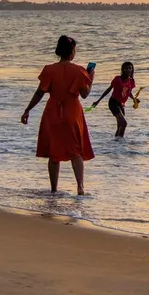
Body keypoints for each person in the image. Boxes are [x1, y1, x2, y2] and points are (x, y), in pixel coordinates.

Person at [21, 35, 95, 196]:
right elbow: (85, 94)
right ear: (72, 52)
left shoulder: (49, 69)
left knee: (54, 153)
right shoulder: (79, 71)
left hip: (53, 111)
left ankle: (54, 189)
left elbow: (40, 93)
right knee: (76, 151)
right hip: (72, 112)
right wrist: (90, 79)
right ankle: (80, 187)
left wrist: (27, 110)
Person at [91, 62, 137, 137]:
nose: (128, 70)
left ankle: (116, 143)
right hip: (113, 102)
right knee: (124, 123)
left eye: (130, 68)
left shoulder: (131, 81)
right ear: (122, 70)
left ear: (132, 70)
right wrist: (98, 101)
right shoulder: (117, 79)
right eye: (126, 68)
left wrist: (134, 99)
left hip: (121, 104)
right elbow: (109, 89)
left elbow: (128, 92)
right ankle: (120, 142)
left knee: (119, 126)